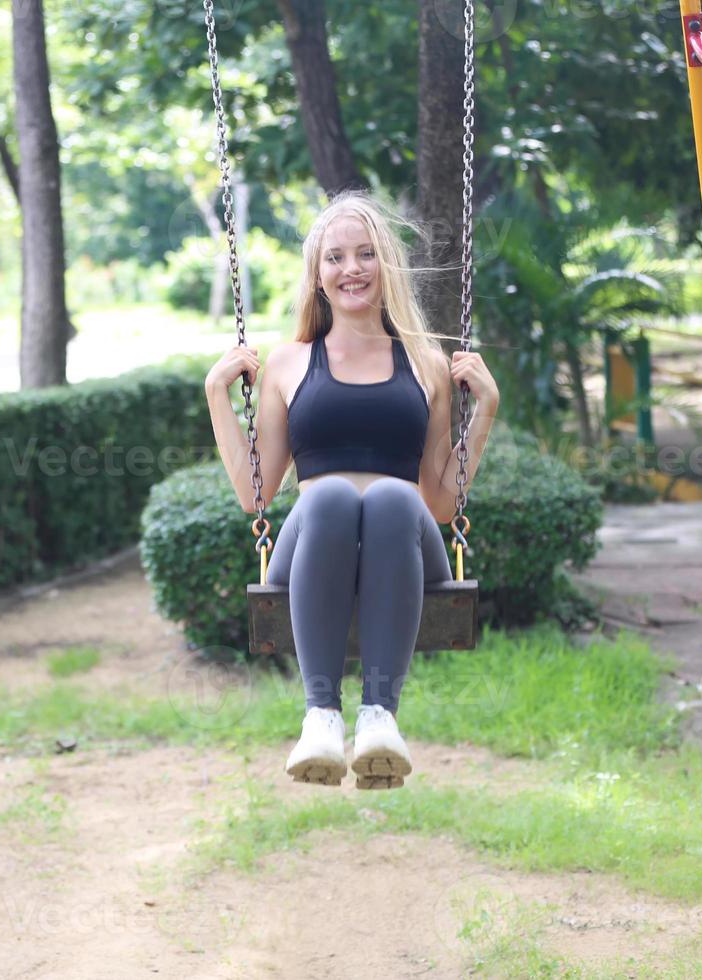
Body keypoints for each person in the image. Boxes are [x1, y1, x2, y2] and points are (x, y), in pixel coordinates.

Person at [204, 191, 499, 790]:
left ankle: (379, 717)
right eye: (335, 257)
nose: (352, 269)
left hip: (404, 536)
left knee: (394, 497)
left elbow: (440, 504)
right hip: (316, 538)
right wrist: (217, 395)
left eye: (366, 254)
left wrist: (485, 410)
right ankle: (320, 717)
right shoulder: (289, 363)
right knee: (329, 495)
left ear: (386, 265)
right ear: (317, 275)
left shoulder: (425, 362)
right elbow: (254, 495)